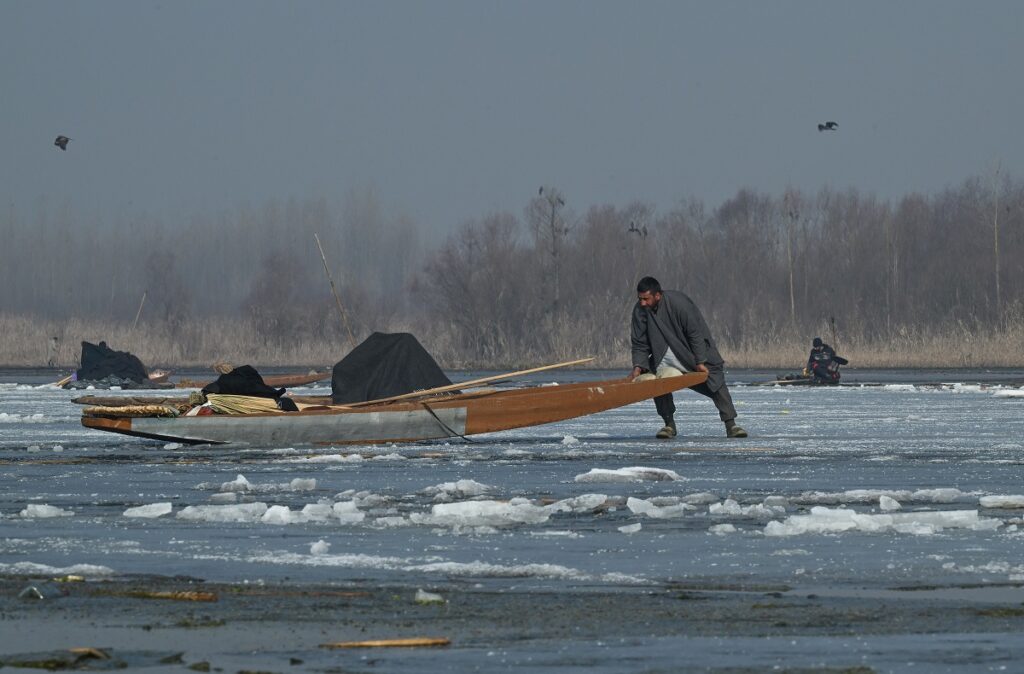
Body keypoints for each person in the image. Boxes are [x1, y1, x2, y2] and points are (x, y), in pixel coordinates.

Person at [629, 276, 747, 439]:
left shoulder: (678, 303)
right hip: (662, 356)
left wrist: (700, 361)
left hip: (689, 354)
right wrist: (638, 365)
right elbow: (639, 342)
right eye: (640, 298)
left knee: (715, 380)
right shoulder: (639, 310)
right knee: (657, 382)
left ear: (657, 295)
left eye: (646, 299)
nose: (642, 303)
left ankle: (731, 425)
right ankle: (669, 425)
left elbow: (695, 333)